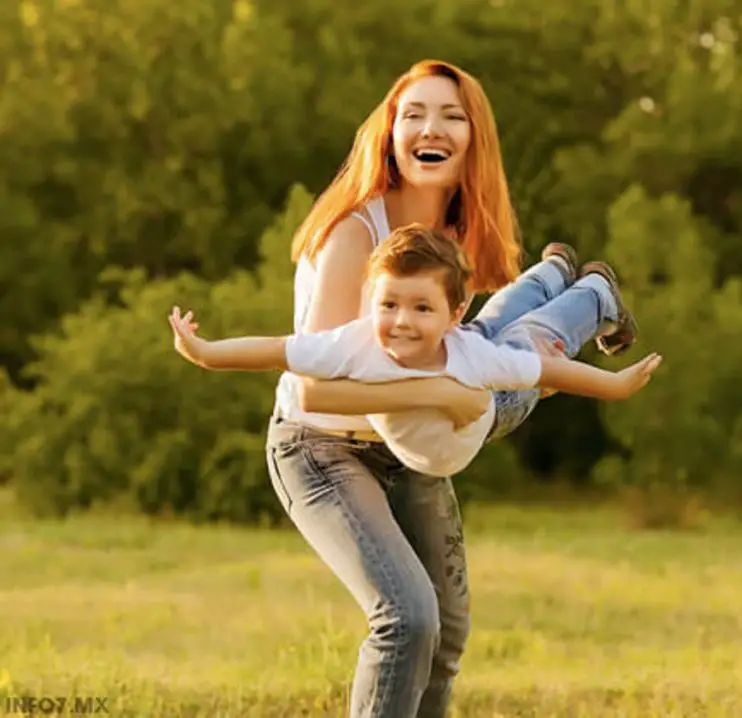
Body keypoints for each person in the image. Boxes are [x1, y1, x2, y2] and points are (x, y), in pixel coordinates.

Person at [258, 58, 640, 718]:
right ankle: (577, 290)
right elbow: (316, 392)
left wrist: (468, 390)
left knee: (445, 636)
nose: (429, 128)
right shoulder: (357, 232)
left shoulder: (449, 232)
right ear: (388, 134)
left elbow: (465, 345)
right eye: (413, 114)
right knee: (408, 620)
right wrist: (447, 395)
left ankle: (570, 286)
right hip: (322, 448)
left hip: (407, 442)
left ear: (473, 139)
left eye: (450, 115)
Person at [168, 224, 661, 477]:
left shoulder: (472, 357)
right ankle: (551, 272)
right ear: (372, 302)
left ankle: (594, 293)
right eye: (389, 305)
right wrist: (208, 352)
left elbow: (550, 371)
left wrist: (614, 387)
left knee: (525, 336)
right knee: (495, 325)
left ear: (451, 315)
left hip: (494, 409)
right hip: (468, 390)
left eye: (421, 308)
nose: (401, 322)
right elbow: (277, 349)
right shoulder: (356, 342)